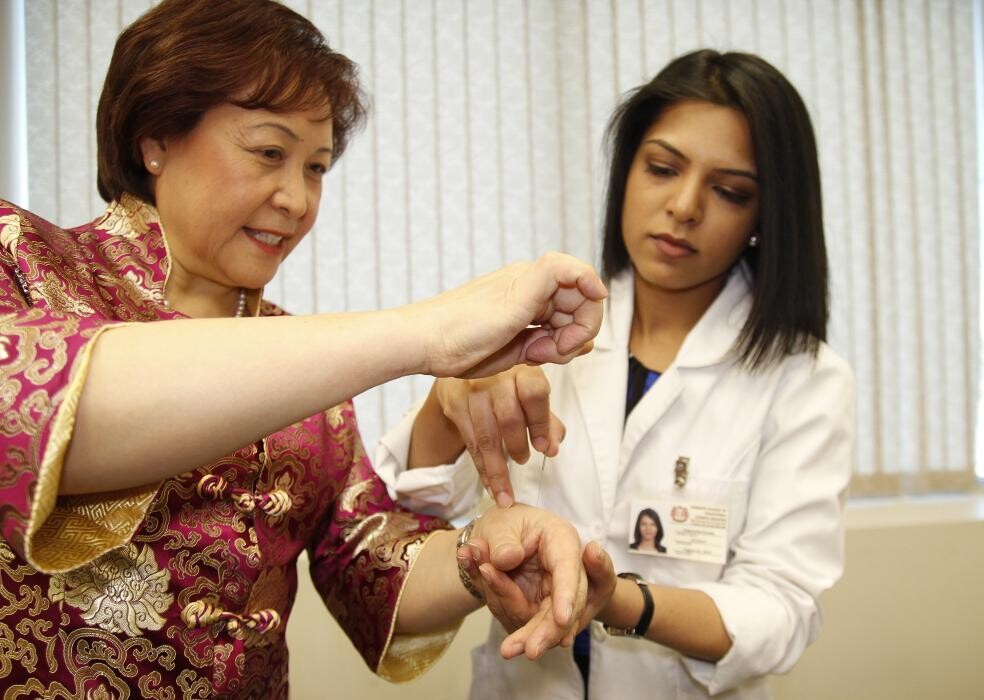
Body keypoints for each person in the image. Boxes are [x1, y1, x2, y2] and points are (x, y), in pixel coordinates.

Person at [0, 1, 609, 697]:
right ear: (156, 138)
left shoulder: (308, 376)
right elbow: (54, 412)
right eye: (268, 153)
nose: (295, 198)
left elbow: (369, 565)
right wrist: (425, 332)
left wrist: (486, 555)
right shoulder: (25, 264)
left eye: (315, 167)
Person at [377, 49, 856, 699]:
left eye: (730, 191)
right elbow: (395, 524)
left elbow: (780, 612)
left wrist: (618, 602)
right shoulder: (537, 319)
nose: (684, 206)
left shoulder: (804, 379)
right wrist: (448, 398)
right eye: (662, 168)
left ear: (765, 217)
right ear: (627, 169)